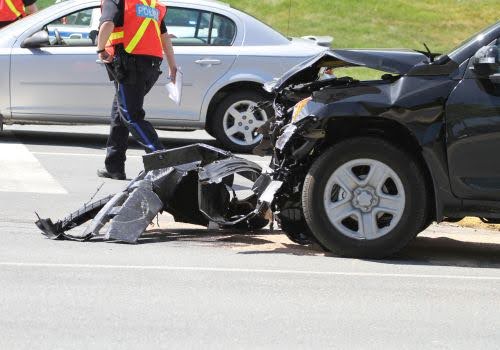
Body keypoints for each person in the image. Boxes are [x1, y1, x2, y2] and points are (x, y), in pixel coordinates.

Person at [96, 0, 177, 180]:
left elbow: (108, 23)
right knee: (119, 112)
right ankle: (114, 166)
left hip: (129, 64)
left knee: (131, 115)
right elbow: (164, 36)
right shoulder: (151, 4)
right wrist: (173, 65)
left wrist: (100, 49)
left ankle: (162, 160)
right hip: (150, 65)